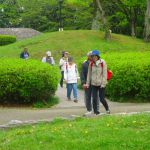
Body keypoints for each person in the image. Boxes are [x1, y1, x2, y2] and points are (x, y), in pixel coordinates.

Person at [86, 50, 110, 115]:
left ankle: (107, 109)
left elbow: (105, 74)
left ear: (97, 56)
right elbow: (89, 74)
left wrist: (103, 84)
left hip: (101, 84)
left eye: (94, 56)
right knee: (94, 98)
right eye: (92, 56)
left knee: (102, 99)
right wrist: (87, 83)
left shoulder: (103, 62)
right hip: (93, 84)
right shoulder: (91, 64)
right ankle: (96, 112)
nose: (93, 57)